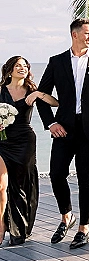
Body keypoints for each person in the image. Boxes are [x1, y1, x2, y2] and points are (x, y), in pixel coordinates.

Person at [37, 19, 89, 248]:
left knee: (85, 179)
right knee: (56, 173)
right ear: (75, 34)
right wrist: (50, 123)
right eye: (88, 33)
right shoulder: (56, 62)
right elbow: (42, 95)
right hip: (64, 128)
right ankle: (66, 216)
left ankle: (84, 228)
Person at [0, 57, 58, 246]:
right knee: (2, 185)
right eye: (18, 66)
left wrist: (39, 95)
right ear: (9, 70)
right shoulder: (0, 90)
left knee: (22, 185)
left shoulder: (31, 90)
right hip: (3, 142)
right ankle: (2, 225)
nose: (22, 68)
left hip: (25, 142)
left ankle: (19, 228)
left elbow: (55, 103)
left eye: (25, 66)